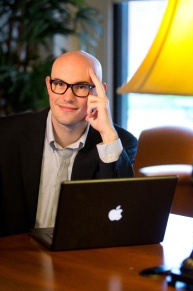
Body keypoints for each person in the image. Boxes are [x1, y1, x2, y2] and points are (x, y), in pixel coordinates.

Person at [0, 50, 137, 237]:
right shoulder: (6, 134)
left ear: (99, 91)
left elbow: (125, 216)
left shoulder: (119, 141)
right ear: (49, 86)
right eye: (59, 84)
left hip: (79, 258)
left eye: (81, 87)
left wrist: (107, 133)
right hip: (14, 257)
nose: (67, 97)